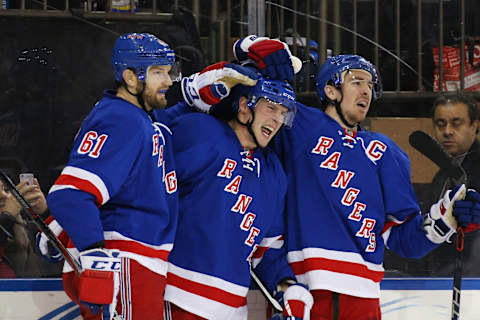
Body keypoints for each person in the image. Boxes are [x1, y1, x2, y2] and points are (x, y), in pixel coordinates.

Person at [196, 38, 480, 319]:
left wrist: (448, 219)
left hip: (364, 299)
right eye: (357, 81)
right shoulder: (298, 124)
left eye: (371, 85)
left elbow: (404, 239)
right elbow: (239, 101)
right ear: (331, 90)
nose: (366, 91)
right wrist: (250, 49)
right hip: (304, 294)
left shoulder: (386, 152)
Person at [46, 33, 180, 320]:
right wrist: (96, 261)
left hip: (137, 262)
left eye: (169, 72)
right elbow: (70, 194)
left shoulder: (139, 117)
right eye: (158, 72)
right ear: (131, 78)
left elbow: (109, 186)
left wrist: (62, 226)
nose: (168, 81)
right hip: (126, 262)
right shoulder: (122, 120)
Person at [162, 77, 313, 319]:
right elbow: (145, 165)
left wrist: (288, 288)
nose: (277, 119)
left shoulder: (273, 174)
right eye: (271, 107)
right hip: (178, 297)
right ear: (244, 106)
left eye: (283, 113)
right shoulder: (201, 132)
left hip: (234, 310)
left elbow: (266, 252)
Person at [412, 93, 480, 276]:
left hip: (471, 280)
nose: (447, 131)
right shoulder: (443, 173)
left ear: (474, 126)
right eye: (441, 124)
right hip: (444, 279)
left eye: (456, 123)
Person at [0, 178, 49, 278]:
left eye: (5, 189)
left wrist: (45, 215)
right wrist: (7, 217)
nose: (3, 196)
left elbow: (59, 261)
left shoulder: (28, 228)